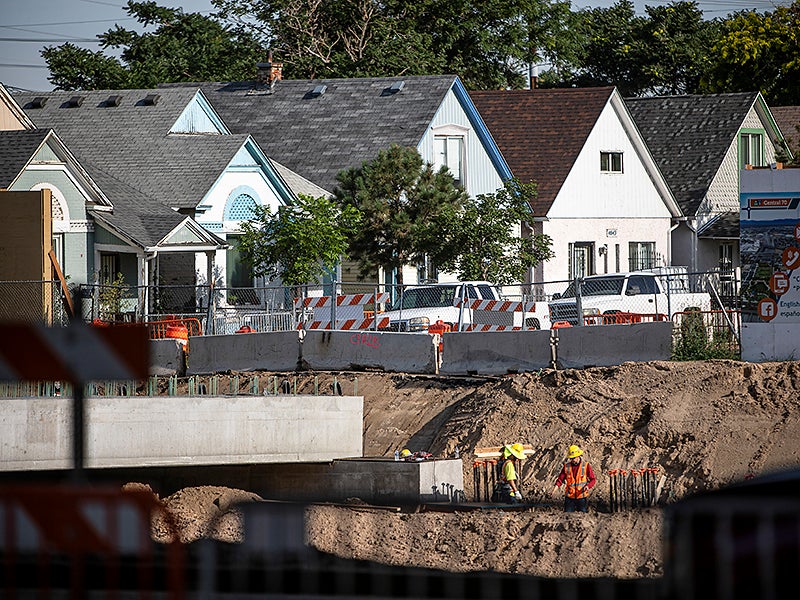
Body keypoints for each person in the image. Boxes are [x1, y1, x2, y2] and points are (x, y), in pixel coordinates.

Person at [551, 444, 596, 512]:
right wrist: (554, 490)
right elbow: (560, 480)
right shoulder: (566, 467)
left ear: (578, 456)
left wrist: (588, 486)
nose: (572, 460)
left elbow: (593, 479)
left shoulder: (586, 466)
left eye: (574, 458)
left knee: (583, 517)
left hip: (581, 497)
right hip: (570, 498)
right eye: (571, 458)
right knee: (567, 517)